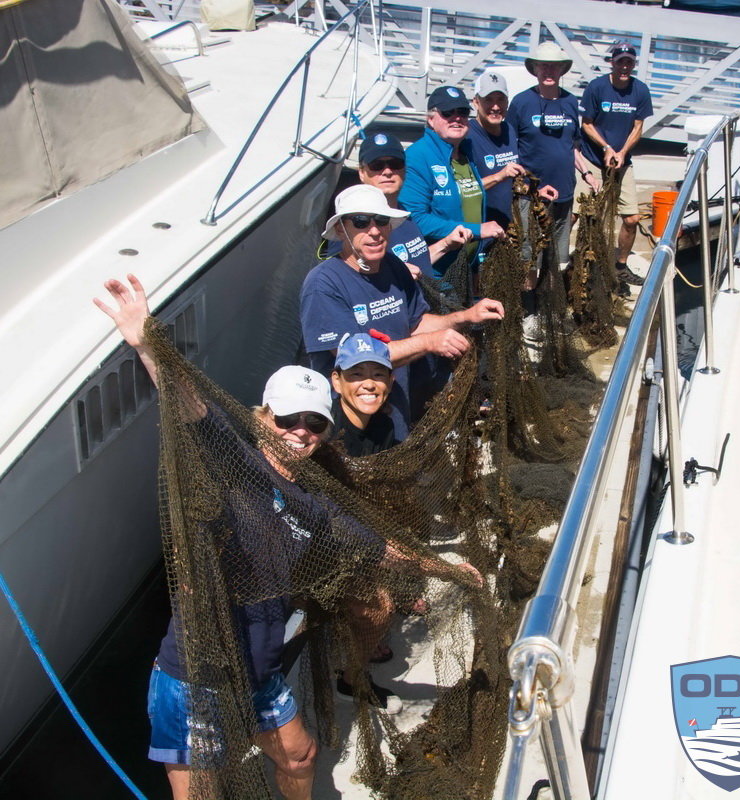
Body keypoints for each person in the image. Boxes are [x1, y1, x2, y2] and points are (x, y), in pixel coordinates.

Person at [94, 275, 481, 799]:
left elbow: (381, 543)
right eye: (290, 419)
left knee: (300, 756)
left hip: (261, 666)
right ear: (264, 418)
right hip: (198, 670)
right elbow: (190, 404)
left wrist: (448, 570)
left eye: (315, 423)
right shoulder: (235, 464)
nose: (301, 431)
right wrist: (145, 341)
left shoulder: (316, 502)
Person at [300, 184, 505, 438]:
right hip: (349, 427)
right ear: (341, 230)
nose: (374, 231)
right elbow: (356, 360)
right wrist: (429, 343)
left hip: (394, 410)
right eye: (361, 222)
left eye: (381, 220)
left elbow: (415, 323)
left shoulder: (393, 266)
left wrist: (466, 316)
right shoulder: (323, 283)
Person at [507, 43, 600, 272]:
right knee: (529, 255)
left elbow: (572, 146)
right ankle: (529, 303)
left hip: (564, 192)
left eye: (554, 67)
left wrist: (587, 173)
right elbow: (509, 149)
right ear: (535, 69)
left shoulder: (569, 101)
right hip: (531, 195)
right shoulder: (520, 102)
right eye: (543, 66)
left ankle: (550, 300)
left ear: (561, 71)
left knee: (558, 257)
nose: (549, 71)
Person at [327, 131, 472, 278]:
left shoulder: (404, 211)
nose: (388, 172)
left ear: (404, 170)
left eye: (395, 164)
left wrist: (446, 244)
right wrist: (393, 274)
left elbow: (417, 262)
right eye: (377, 165)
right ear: (361, 173)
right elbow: (343, 278)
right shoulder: (353, 223)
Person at [399, 85, 506, 278]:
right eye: (448, 113)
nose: (457, 118)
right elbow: (414, 218)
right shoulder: (418, 155)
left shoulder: (465, 152)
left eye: (463, 112)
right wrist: (477, 230)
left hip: (465, 268)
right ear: (431, 119)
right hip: (435, 272)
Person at [578, 41, 654, 295]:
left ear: (633, 64)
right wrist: (607, 148)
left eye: (629, 62)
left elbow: (638, 127)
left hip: (623, 162)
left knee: (631, 218)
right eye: (620, 61)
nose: (624, 66)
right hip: (594, 160)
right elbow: (587, 124)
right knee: (591, 218)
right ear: (612, 62)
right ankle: (589, 267)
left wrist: (621, 152)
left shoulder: (640, 91)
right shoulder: (597, 87)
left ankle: (620, 266)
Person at [467, 70, 527, 229]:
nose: (495, 107)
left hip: (509, 228)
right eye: (488, 100)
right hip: (479, 230)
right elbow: (461, 190)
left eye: (501, 99)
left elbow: (512, 183)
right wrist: (499, 176)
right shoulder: (466, 137)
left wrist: (535, 191)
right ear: (476, 102)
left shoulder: (509, 129)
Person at [330, 332, 397, 457]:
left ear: (390, 381)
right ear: (337, 381)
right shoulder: (323, 426)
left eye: (378, 374)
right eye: (357, 374)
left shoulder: (384, 427)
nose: (369, 384)